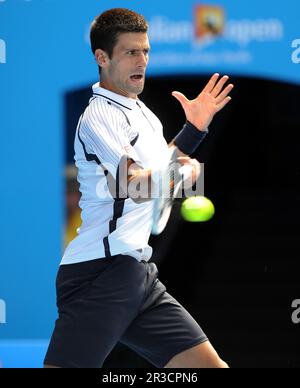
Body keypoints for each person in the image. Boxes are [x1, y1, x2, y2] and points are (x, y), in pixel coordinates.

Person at [44, 8, 233, 368]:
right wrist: (180, 161)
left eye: (145, 51)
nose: (142, 60)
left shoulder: (146, 116)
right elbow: (132, 186)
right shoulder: (99, 115)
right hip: (99, 271)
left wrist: (191, 134)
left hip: (137, 271)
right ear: (102, 58)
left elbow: (160, 175)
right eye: (131, 51)